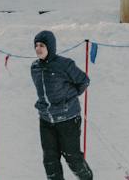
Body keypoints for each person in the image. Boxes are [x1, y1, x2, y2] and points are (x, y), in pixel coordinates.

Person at [30, 31, 92, 180]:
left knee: (72, 158)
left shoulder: (65, 64)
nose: (38, 48)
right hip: (46, 120)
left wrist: (69, 100)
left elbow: (84, 81)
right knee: (50, 161)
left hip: (68, 119)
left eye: (42, 45)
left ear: (50, 47)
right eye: (36, 45)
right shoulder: (35, 68)